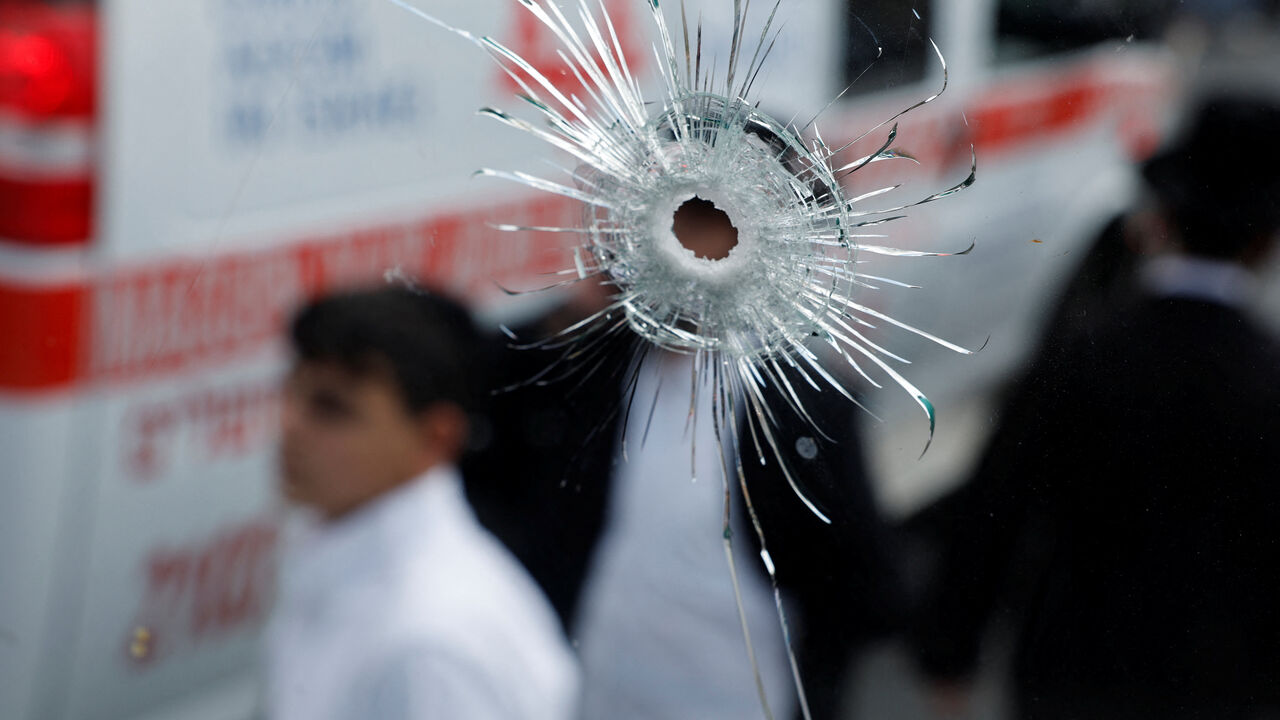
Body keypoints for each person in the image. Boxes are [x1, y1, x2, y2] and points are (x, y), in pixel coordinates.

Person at [910, 94, 1280, 720]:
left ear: (1157, 221)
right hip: (1223, 686)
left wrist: (950, 652)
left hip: (1069, 674)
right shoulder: (1267, 378)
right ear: (1266, 243)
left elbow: (996, 505)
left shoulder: (1084, 356)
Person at [465, 194, 905, 720]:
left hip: (738, 697)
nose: (687, 264)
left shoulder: (798, 406)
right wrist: (566, 314)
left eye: (712, 240)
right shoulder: (595, 371)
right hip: (595, 690)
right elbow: (483, 413)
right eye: (672, 236)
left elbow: (865, 583)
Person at [265, 286, 578, 720]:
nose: (290, 425)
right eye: (292, 392)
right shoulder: (333, 547)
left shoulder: (430, 643)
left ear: (437, 437)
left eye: (332, 408)